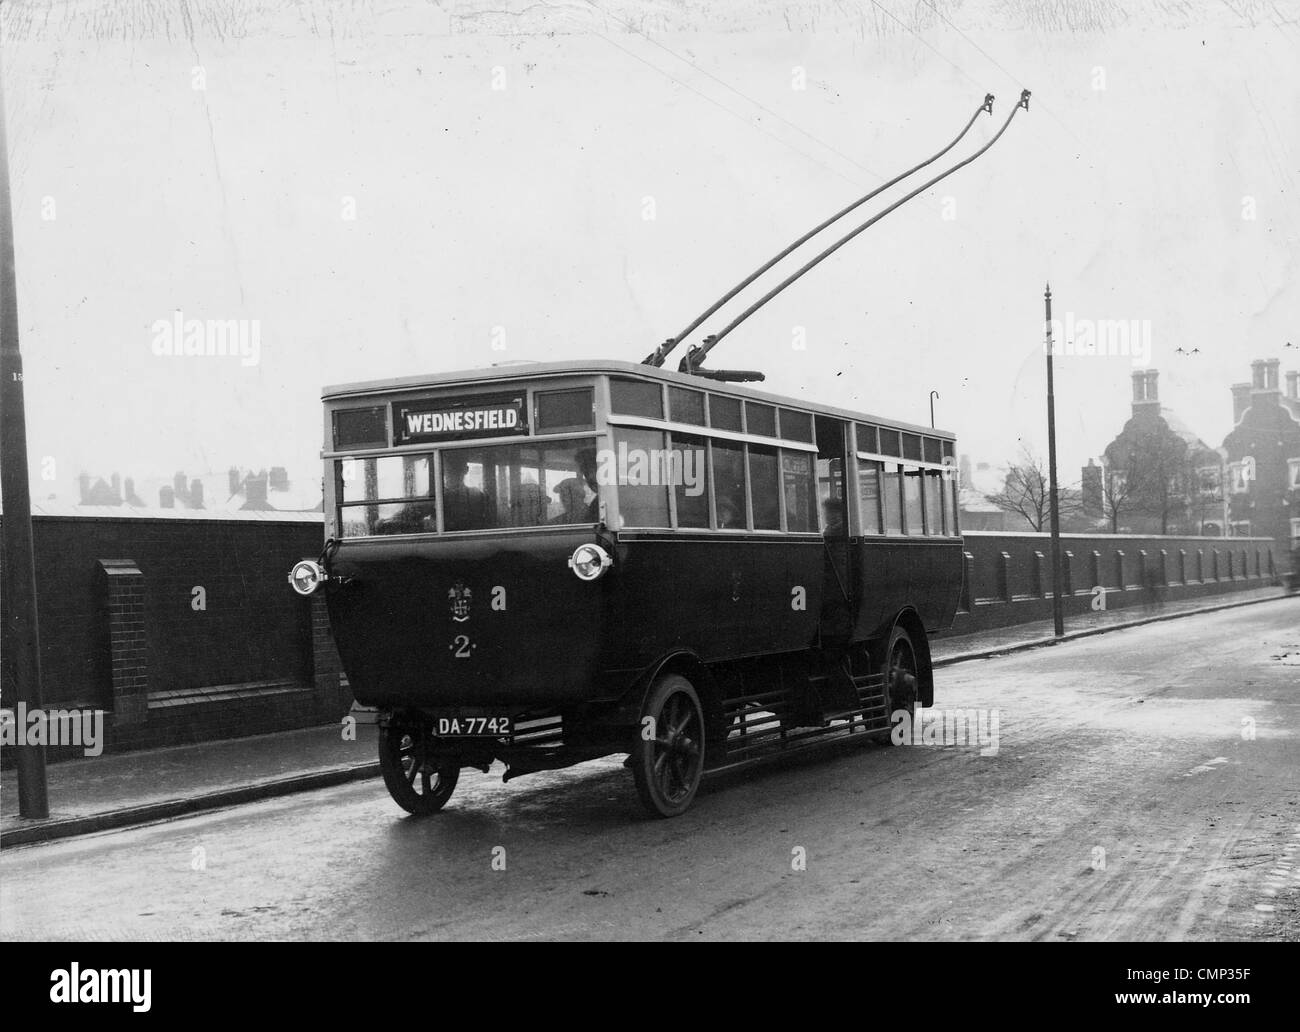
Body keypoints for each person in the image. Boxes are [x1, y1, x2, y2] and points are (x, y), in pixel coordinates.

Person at [442, 452, 491, 531]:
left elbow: (482, 524)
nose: (452, 472)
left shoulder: (477, 495)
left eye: (456, 468)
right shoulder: (438, 496)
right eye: (449, 468)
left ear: (466, 469)